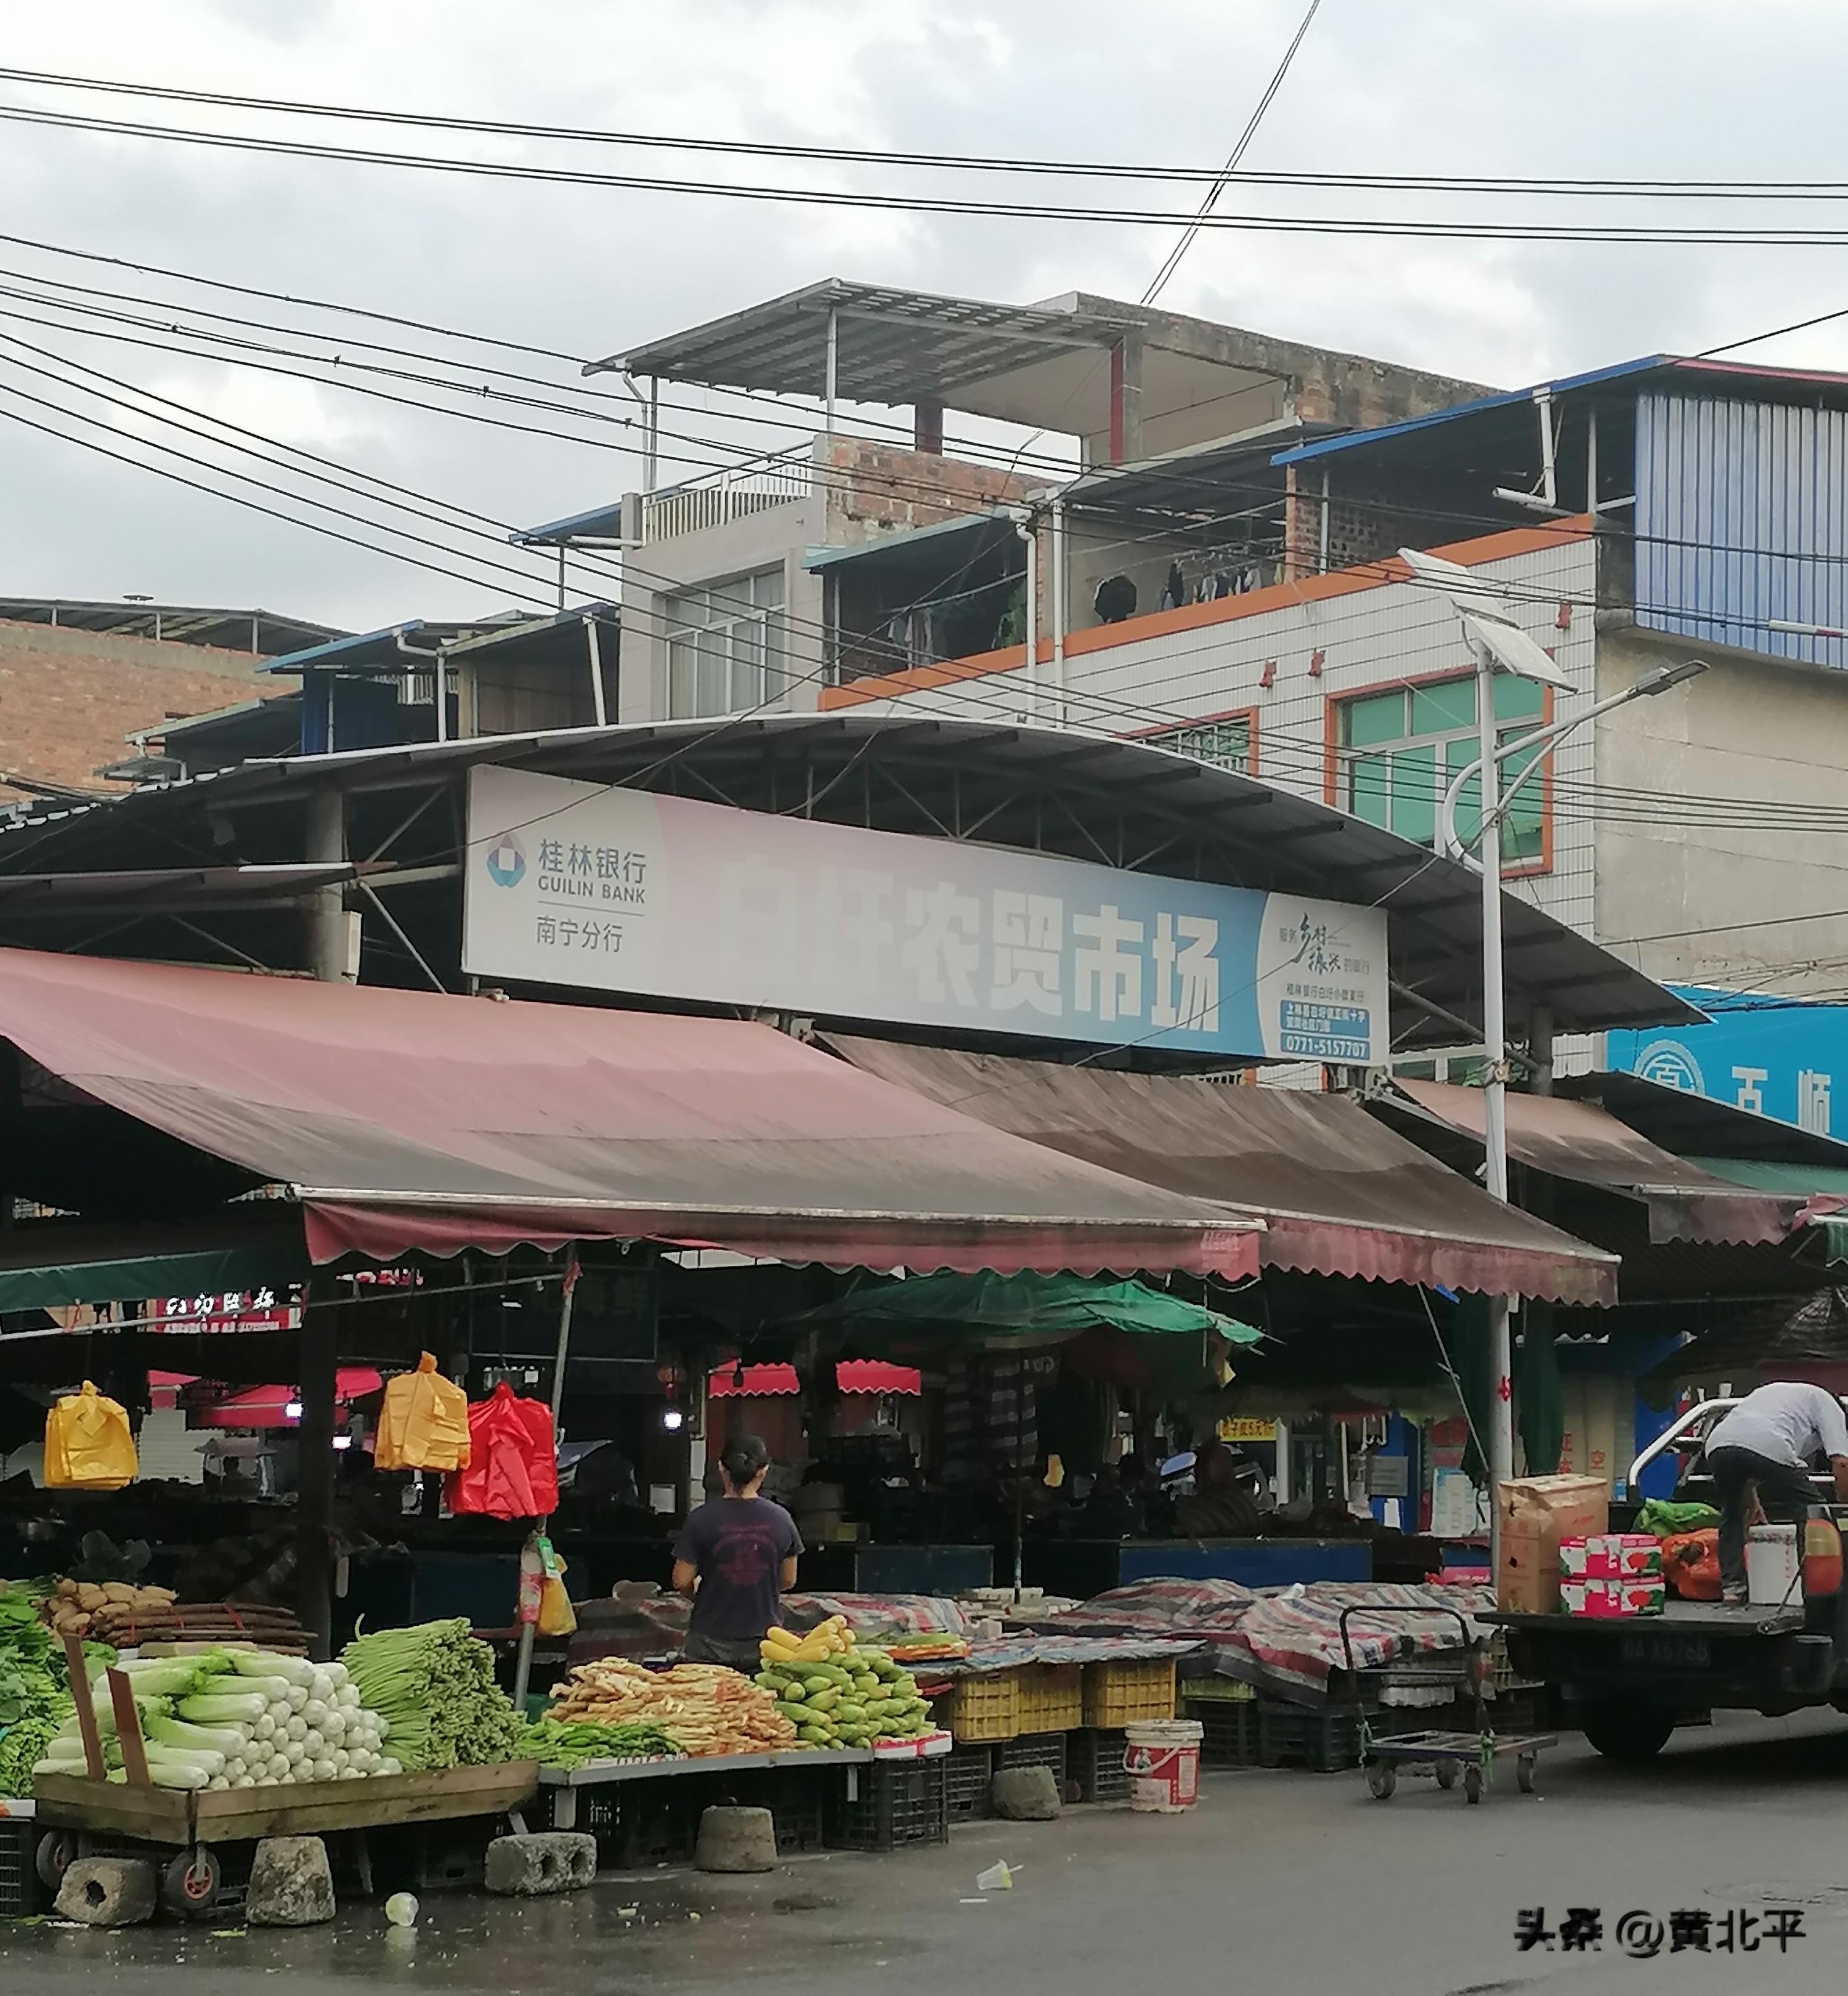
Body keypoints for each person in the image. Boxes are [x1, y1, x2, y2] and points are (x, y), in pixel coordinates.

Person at [1702, 1382, 1848, 1602]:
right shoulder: (1829, 1404)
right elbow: (1841, 1462)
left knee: (1732, 1514)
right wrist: (1843, 1501)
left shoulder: (1780, 1395)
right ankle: (1813, 1592)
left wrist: (1752, 1501)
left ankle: (1733, 1590)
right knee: (1813, 1514)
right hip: (1767, 1442)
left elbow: (1745, 1450)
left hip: (1718, 1444)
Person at [671, 1434, 803, 1669]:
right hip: (764, 1643)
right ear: (763, 1471)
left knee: (704, 1695)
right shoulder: (782, 1519)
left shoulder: (700, 1519)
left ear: (721, 1467)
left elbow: (681, 1581)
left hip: (708, 1643)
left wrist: (702, 1595)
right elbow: (788, 1580)